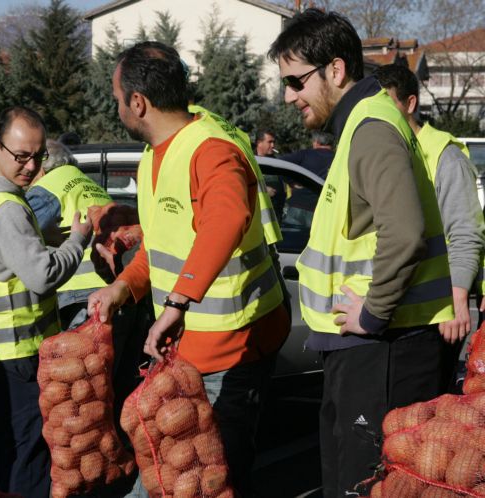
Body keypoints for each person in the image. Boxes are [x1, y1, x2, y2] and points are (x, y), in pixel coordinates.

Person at [87, 41, 290, 497]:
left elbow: (228, 218)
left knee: (211, 478)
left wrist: (178, 302)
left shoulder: (211, 150)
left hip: (233, 350)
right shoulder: (154, 157)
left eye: (117, 97)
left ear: (137, 102)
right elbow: (162, 248)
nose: (117, 105)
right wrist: (122, 287)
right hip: (189, 353)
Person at [269, 9, 454, 497]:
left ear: (335, 70)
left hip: (383, 351)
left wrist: (372, 314)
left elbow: (406, 231)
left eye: (295, 80)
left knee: (366, 485)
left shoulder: (369, 127)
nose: (288, 95)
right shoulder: (361, 125)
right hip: (368, 351)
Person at [0, 106, 91, 498]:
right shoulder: (6, 206)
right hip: (13, 352)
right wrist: (78, 238)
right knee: (26, 452)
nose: (31, 166)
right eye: (21, 156)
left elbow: (2, 262)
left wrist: (47, 244)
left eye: (39, 155)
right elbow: (42, 275)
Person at [375, 63, 485, 380]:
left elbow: (465, 234)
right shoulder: (387, 151)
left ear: (410, 104)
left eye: (388, 103)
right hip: (396, 309)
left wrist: (456, 299)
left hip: (436, 311)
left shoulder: (444, 156)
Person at [26, 139, 113, 329]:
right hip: (112, 287)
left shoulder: (45, 188)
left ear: (41, 167)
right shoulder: (90, 184)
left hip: (77, 293)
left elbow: (20, 237)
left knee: (74, 357)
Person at [278, 131, 335, 227]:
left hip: (298, 206)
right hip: (324, 210)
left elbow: (279, 163)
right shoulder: (338, 159)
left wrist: (291, 181)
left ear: (316, 142)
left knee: (292, 239)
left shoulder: (305, 154)